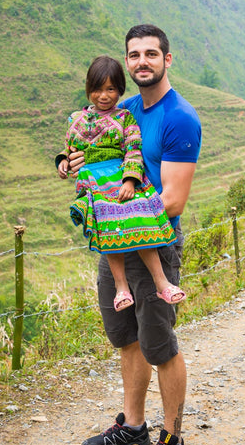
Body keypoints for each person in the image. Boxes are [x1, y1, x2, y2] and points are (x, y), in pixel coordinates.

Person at [57, 24, 201, 445]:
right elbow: (88, 142)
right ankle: (134, 425)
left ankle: (172, 439)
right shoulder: (125, 109)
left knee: (160, 344)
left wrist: (118, 203)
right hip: (113, 242)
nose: (142, 62)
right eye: (134, 54)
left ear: (167, 59)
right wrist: (69, 164)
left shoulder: (180, 118)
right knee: (126, 338)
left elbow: (174, 200)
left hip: (154, 242)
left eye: (151, 54)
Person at [57, 55, 186, 311]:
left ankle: (162, 284)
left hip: (121, 176)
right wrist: (62, 161)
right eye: (97, 89)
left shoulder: (125, 118)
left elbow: (133, 149)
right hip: (94, 182)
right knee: (108, 225)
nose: (103, 96)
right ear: (87, 88)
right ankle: (121, 288)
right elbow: (69, 149)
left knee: (141, 216)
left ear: (120, 89)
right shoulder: (76, 120)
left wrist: (130, 180)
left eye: (110, 89)